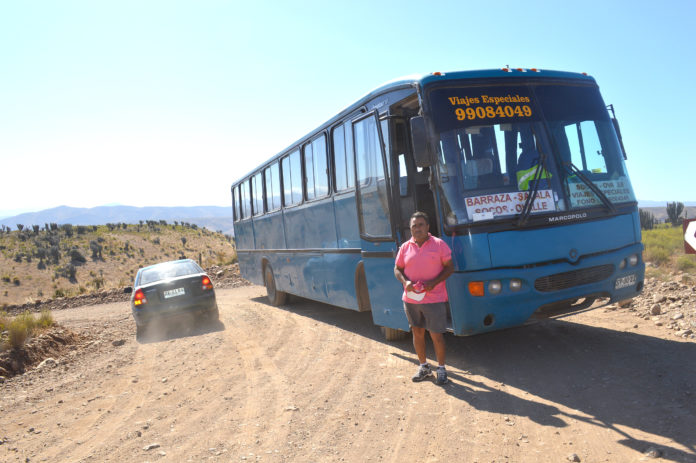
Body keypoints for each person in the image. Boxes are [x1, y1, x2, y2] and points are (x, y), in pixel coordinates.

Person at [394, 211, 454, 385]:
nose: (417, 228)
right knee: (417, 332)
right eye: (414, 226)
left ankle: (441, 369)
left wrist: (434, 283)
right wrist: (405, 282)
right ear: (410, 229)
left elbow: (450, 268)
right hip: (411, 299)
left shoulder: (439, 245)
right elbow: (397, 269)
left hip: (434, 298)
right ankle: (424, 367)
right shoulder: (405, 247)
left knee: (436, 335)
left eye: (421, 225)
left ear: (427, 227)